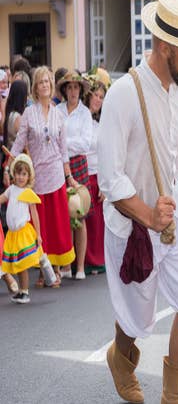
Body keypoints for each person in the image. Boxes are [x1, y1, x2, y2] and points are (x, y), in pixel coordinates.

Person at [97, 0, 178, 403]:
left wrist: (168, 210)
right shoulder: (123, 94)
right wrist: (148, 215)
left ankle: (174, 389)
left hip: (173, 212)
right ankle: (122, 356)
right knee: (137, 316)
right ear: (164, 46)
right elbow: (109, 178)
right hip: (134, 223)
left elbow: (173, 162)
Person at [11, 66, 74, 283]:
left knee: (56, 225)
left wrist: (69, 177)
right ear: (36, 89)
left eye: (47, 81)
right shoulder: (29, 113)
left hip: (56, 174)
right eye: (41, 82)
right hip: (36, 177)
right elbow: (19, 143)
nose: (45, 85)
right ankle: (41, 268)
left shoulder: (58, 115)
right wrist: (10, 166)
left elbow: (64, 150)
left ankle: (55, 269)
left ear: (51, 85)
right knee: (40, 226)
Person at [57, 70, 93, 280]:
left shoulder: (85, 113)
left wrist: (65, 144)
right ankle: (65, 264)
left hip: (78, 164)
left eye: (76, 87)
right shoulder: (58, 110)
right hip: (60, 164)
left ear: (80, 90)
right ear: (64, 90)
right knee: (63, 214)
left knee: (80, 213)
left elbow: (85, 143)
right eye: (69, 87)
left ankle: (80, 266)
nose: (73, 91)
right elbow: (54, 137)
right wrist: (66, 145)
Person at [1, 154, 42, 304]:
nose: (20, 177)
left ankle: (25, 291)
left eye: (24, 174)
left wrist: (38, 234)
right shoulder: (11, 190)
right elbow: (2, 199)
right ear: (14, 174)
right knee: (18, 264)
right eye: (18, 173)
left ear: (28, 176)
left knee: (23, 264)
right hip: (12, 234)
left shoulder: (27, 193)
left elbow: (34, 214)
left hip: (23, 232)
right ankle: (21, 291)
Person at [82, 77, 108, 274]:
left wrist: (105, 183)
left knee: (97, 221)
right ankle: (82, 260)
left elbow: (105, 153)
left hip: (97, 173)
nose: (98, 100)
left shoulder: (101, 125)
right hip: (81, 173)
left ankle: (97, 259)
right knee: (83, 218)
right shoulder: (81, 119)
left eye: (101, 97)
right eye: (96, 95)